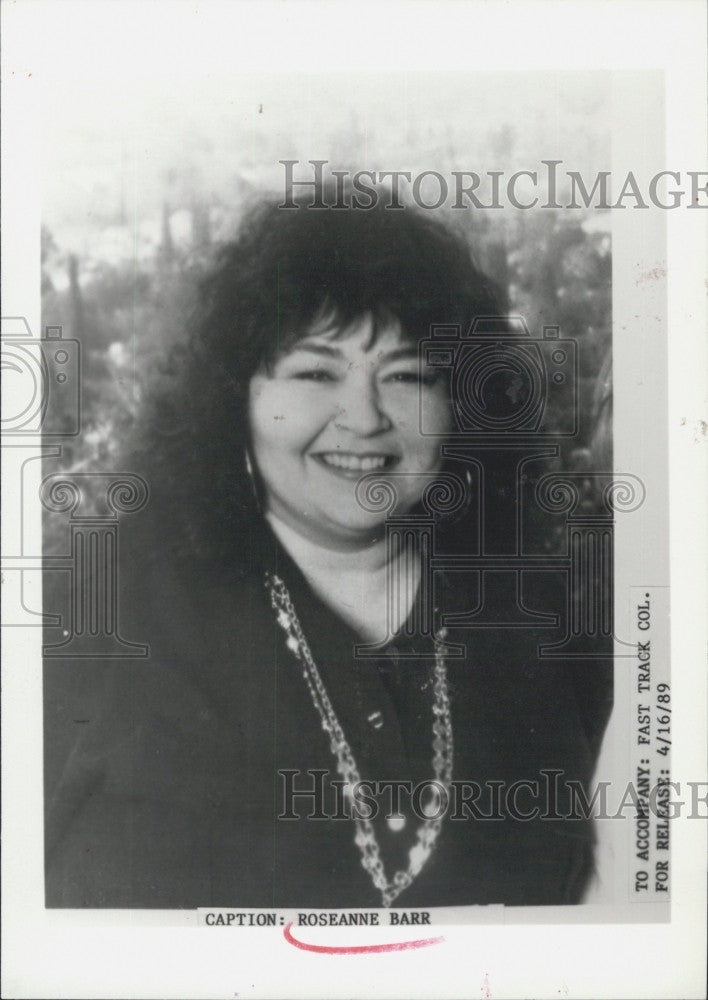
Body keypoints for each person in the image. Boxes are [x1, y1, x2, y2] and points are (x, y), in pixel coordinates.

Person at [44, 189, 613, 909]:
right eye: (315, 373)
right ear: (235, 400)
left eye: (407, 376)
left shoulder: (545, 617)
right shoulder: (102, 616)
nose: (365, 419)